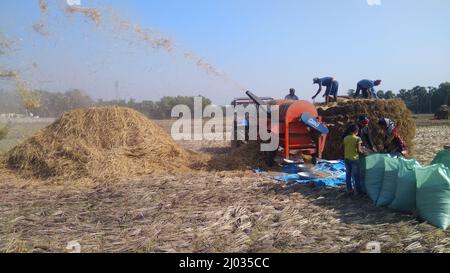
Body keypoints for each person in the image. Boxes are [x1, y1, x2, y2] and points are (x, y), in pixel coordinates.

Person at [343, 124, 364, 195]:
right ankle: (358, 191)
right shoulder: (358, 139)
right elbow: (358, 150)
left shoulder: (345, 138)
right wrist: (363, 152)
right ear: (357, 131)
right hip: (354, 159)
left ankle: (349, 189)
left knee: (348, 174)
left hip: (346, 158)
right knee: (356, 175)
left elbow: (343, 147)